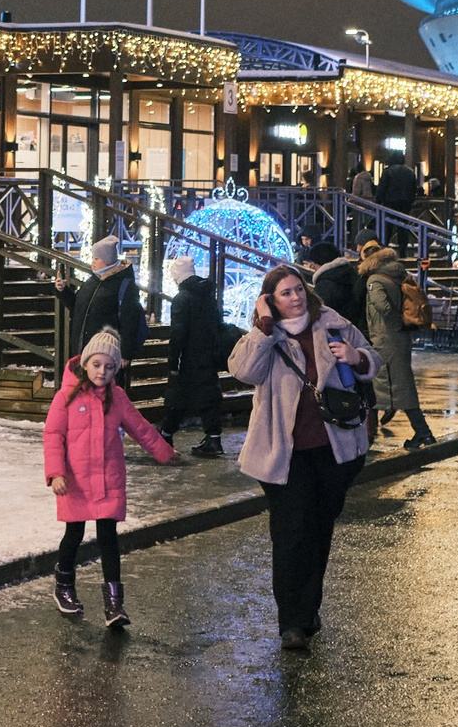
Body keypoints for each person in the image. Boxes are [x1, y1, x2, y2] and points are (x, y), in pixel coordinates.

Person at [229, 264, 378, 652]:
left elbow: (372, 359)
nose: (295, 297)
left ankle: (309, 608)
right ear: (270, 300)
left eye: (298, 289)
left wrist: (357, 357)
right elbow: (243, 371)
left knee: (318, 531)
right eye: (285, 293)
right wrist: (263, 326)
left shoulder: (331, 322)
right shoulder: (265, 334)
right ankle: (291, 622)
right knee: (291, 533)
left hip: (334, 448)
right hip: (284, 454)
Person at [43, 329, 178, 628]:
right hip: (75, 481)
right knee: (74, 534)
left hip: (108, 479)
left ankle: (114, 603)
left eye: (109, 367)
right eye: (97, 364)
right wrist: (55, 473)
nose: (102, 372)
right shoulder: (66, 397)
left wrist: (164, 451)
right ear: (85, 363)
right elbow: (53, 436)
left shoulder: (117, 398)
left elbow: (140, 428)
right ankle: (64, 587)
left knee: (108, 539)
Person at [361, 242, 438, 447]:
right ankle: (419, 432)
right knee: (395, 384)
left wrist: (395, 324)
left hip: (386, 339)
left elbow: (382, 306)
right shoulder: (397, 273)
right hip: (399, 339)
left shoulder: (375, 279)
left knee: (394, 386)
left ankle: (423, 432)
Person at [158, 254, 229, 457]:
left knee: (177, 396)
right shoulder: (207, 295)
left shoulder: (182, 298)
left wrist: (173, 361)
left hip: (189, 356)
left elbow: (178, 332)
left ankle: (166, 434)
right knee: (208, 395)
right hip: (208, 353)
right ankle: (213, 438)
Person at [69, 236, 145, 362]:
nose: (93, 262)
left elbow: (130, 320)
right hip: (85, 350)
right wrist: (62, 292)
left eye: (96, 258)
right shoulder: (92, 281)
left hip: (107, 352)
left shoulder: (123, 284)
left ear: (107, 261)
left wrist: (125, 353)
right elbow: (78, 307)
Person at [311, 242, 368, 332]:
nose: (311, 266)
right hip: (356, 331)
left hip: (338, 333)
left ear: (320, 262)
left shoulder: (325, 285)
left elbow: (318, 314)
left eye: (313, 262)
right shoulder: (351, 273)